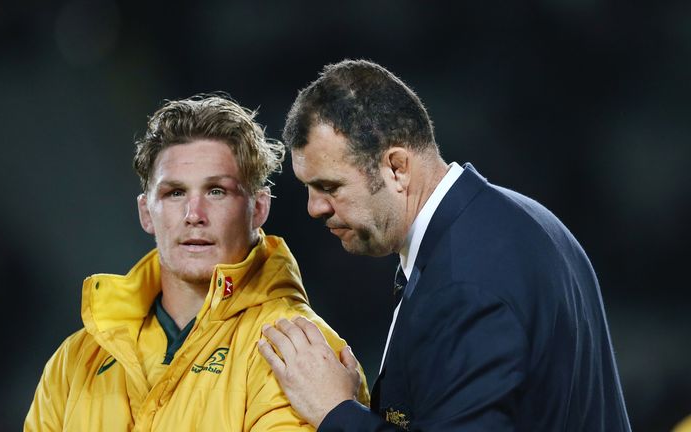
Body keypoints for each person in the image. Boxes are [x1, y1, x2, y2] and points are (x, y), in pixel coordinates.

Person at [258, 60, 631, 431]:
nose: (314, 208)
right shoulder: (511, 219)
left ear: (397, 168)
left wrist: (335, 412)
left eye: (329, 187)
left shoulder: (466, 282)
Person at [25, 94, 369, 431]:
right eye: (175, 193)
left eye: (216, 191)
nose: (194, 215)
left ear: (259, 208)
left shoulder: (301, 352)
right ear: (146, 212)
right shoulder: (75, 361)